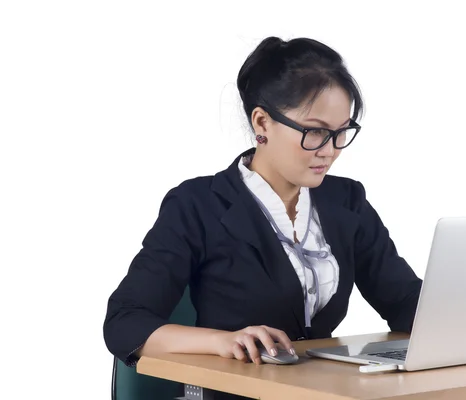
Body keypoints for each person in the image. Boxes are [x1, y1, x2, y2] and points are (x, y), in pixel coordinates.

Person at [103, 36, 422, 394]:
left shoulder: (346, 201)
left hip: (321, 392)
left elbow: (405, 301)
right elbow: (125, 322)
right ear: (262, 122)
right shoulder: (197, 205)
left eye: (341, 133)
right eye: (315, 132)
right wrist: (222, 341)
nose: (330, 151)